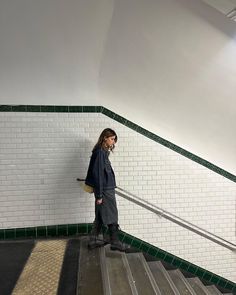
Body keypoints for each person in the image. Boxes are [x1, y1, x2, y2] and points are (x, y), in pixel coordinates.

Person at [85, 128, 128, 252]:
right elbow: (98, 175)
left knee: (100, 215)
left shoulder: (102, 152)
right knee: (112, 214)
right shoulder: (100, 153)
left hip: (105, 189)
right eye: (112, 139)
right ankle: (115, 242)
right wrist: (99, 195)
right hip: (105, 190)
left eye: (114, 139)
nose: (113, 142)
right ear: (105, 138)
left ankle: (93, 241)